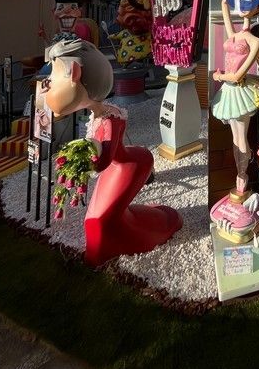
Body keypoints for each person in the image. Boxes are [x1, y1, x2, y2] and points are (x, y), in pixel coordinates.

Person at [44, 38, 181, 266]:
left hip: (128, 166)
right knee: (99, 213)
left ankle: (118, 244)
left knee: (102, 217)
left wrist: (82, 158)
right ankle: (106, 247)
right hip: (119, 164)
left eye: (52, 77)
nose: (48, 83)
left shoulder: (108, 120)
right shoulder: (101, 113)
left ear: (75, 74)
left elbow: (104, 160)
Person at [211, 0, 259, 201]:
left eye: (249, 3)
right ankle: (240, 173)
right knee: (235, 137)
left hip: (239, 88)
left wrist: (219, 76)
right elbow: (225, 5)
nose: (244, 8)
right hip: (228, 91)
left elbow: (238, 75)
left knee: (241, 136)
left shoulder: (255, 41)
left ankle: (243, 175)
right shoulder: (234, 34)